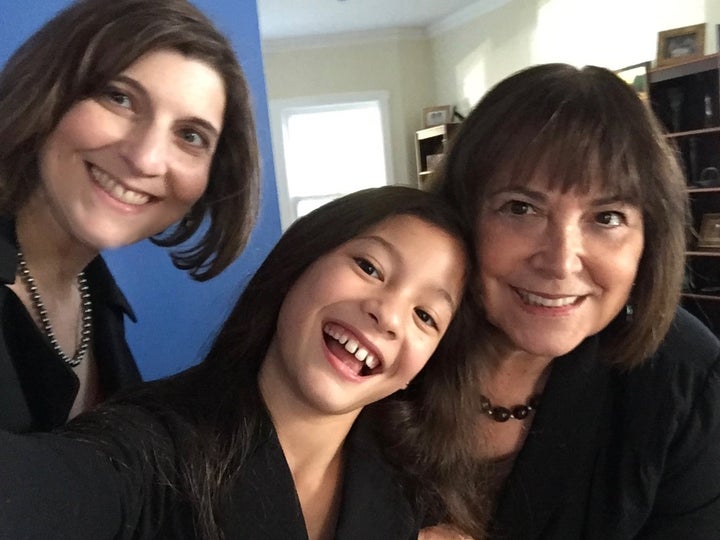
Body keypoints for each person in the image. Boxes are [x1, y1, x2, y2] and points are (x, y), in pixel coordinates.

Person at [0, 185, 472, 540]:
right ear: (299, 263)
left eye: (426, 316)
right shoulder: (156, 446)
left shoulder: (414, 499)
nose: (388, 314)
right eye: (369, 267)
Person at [385, 63, 720, 539]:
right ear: (459, 215)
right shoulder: (384, 339)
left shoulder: (685, 381)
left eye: (606, 217)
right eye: (521, 208)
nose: (561, 262)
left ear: (650, 240)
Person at [0, 0, 259, 432]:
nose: (146, 159)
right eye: (120, 98)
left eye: (190, 136)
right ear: (51, 92)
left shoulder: (99, 305)